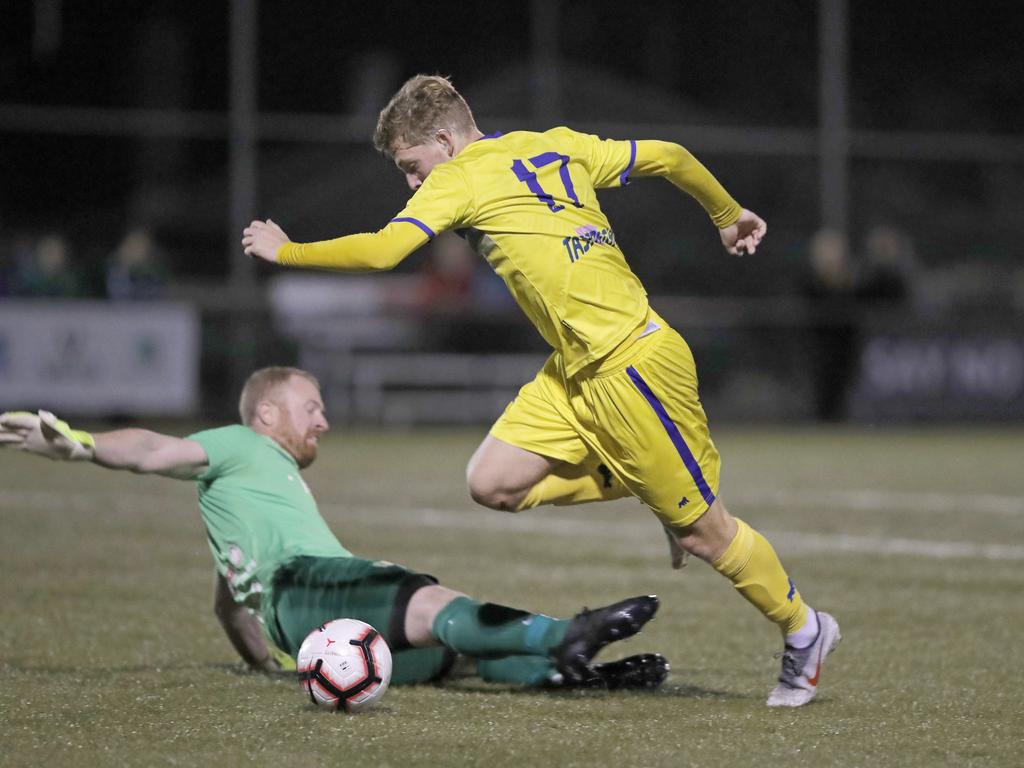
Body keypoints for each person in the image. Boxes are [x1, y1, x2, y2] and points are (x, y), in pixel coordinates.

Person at [241, 75, 840, 707]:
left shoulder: (460, 177)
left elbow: (386, 251)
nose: (414, 185)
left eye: (412, 167)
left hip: (633, 365)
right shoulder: (552, 144)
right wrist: (727, 213)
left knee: (704, 534)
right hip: (573, 370)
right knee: (493, 482)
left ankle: (805, 630)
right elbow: (669, 155)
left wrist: (290, 251)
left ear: (444, 141)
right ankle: (649, 482)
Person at [0, 366, 666, 691]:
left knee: (455, 659)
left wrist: (269, 662)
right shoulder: (240, 443)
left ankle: (567, 675)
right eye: (311, 408)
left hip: (305, 620)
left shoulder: (250, 496)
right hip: (312, 587)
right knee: (429, 603)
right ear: (266, 413)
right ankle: (564, 632)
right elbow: (153, 449)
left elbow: (228, 604)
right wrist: (82, 444)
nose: (321, 422)